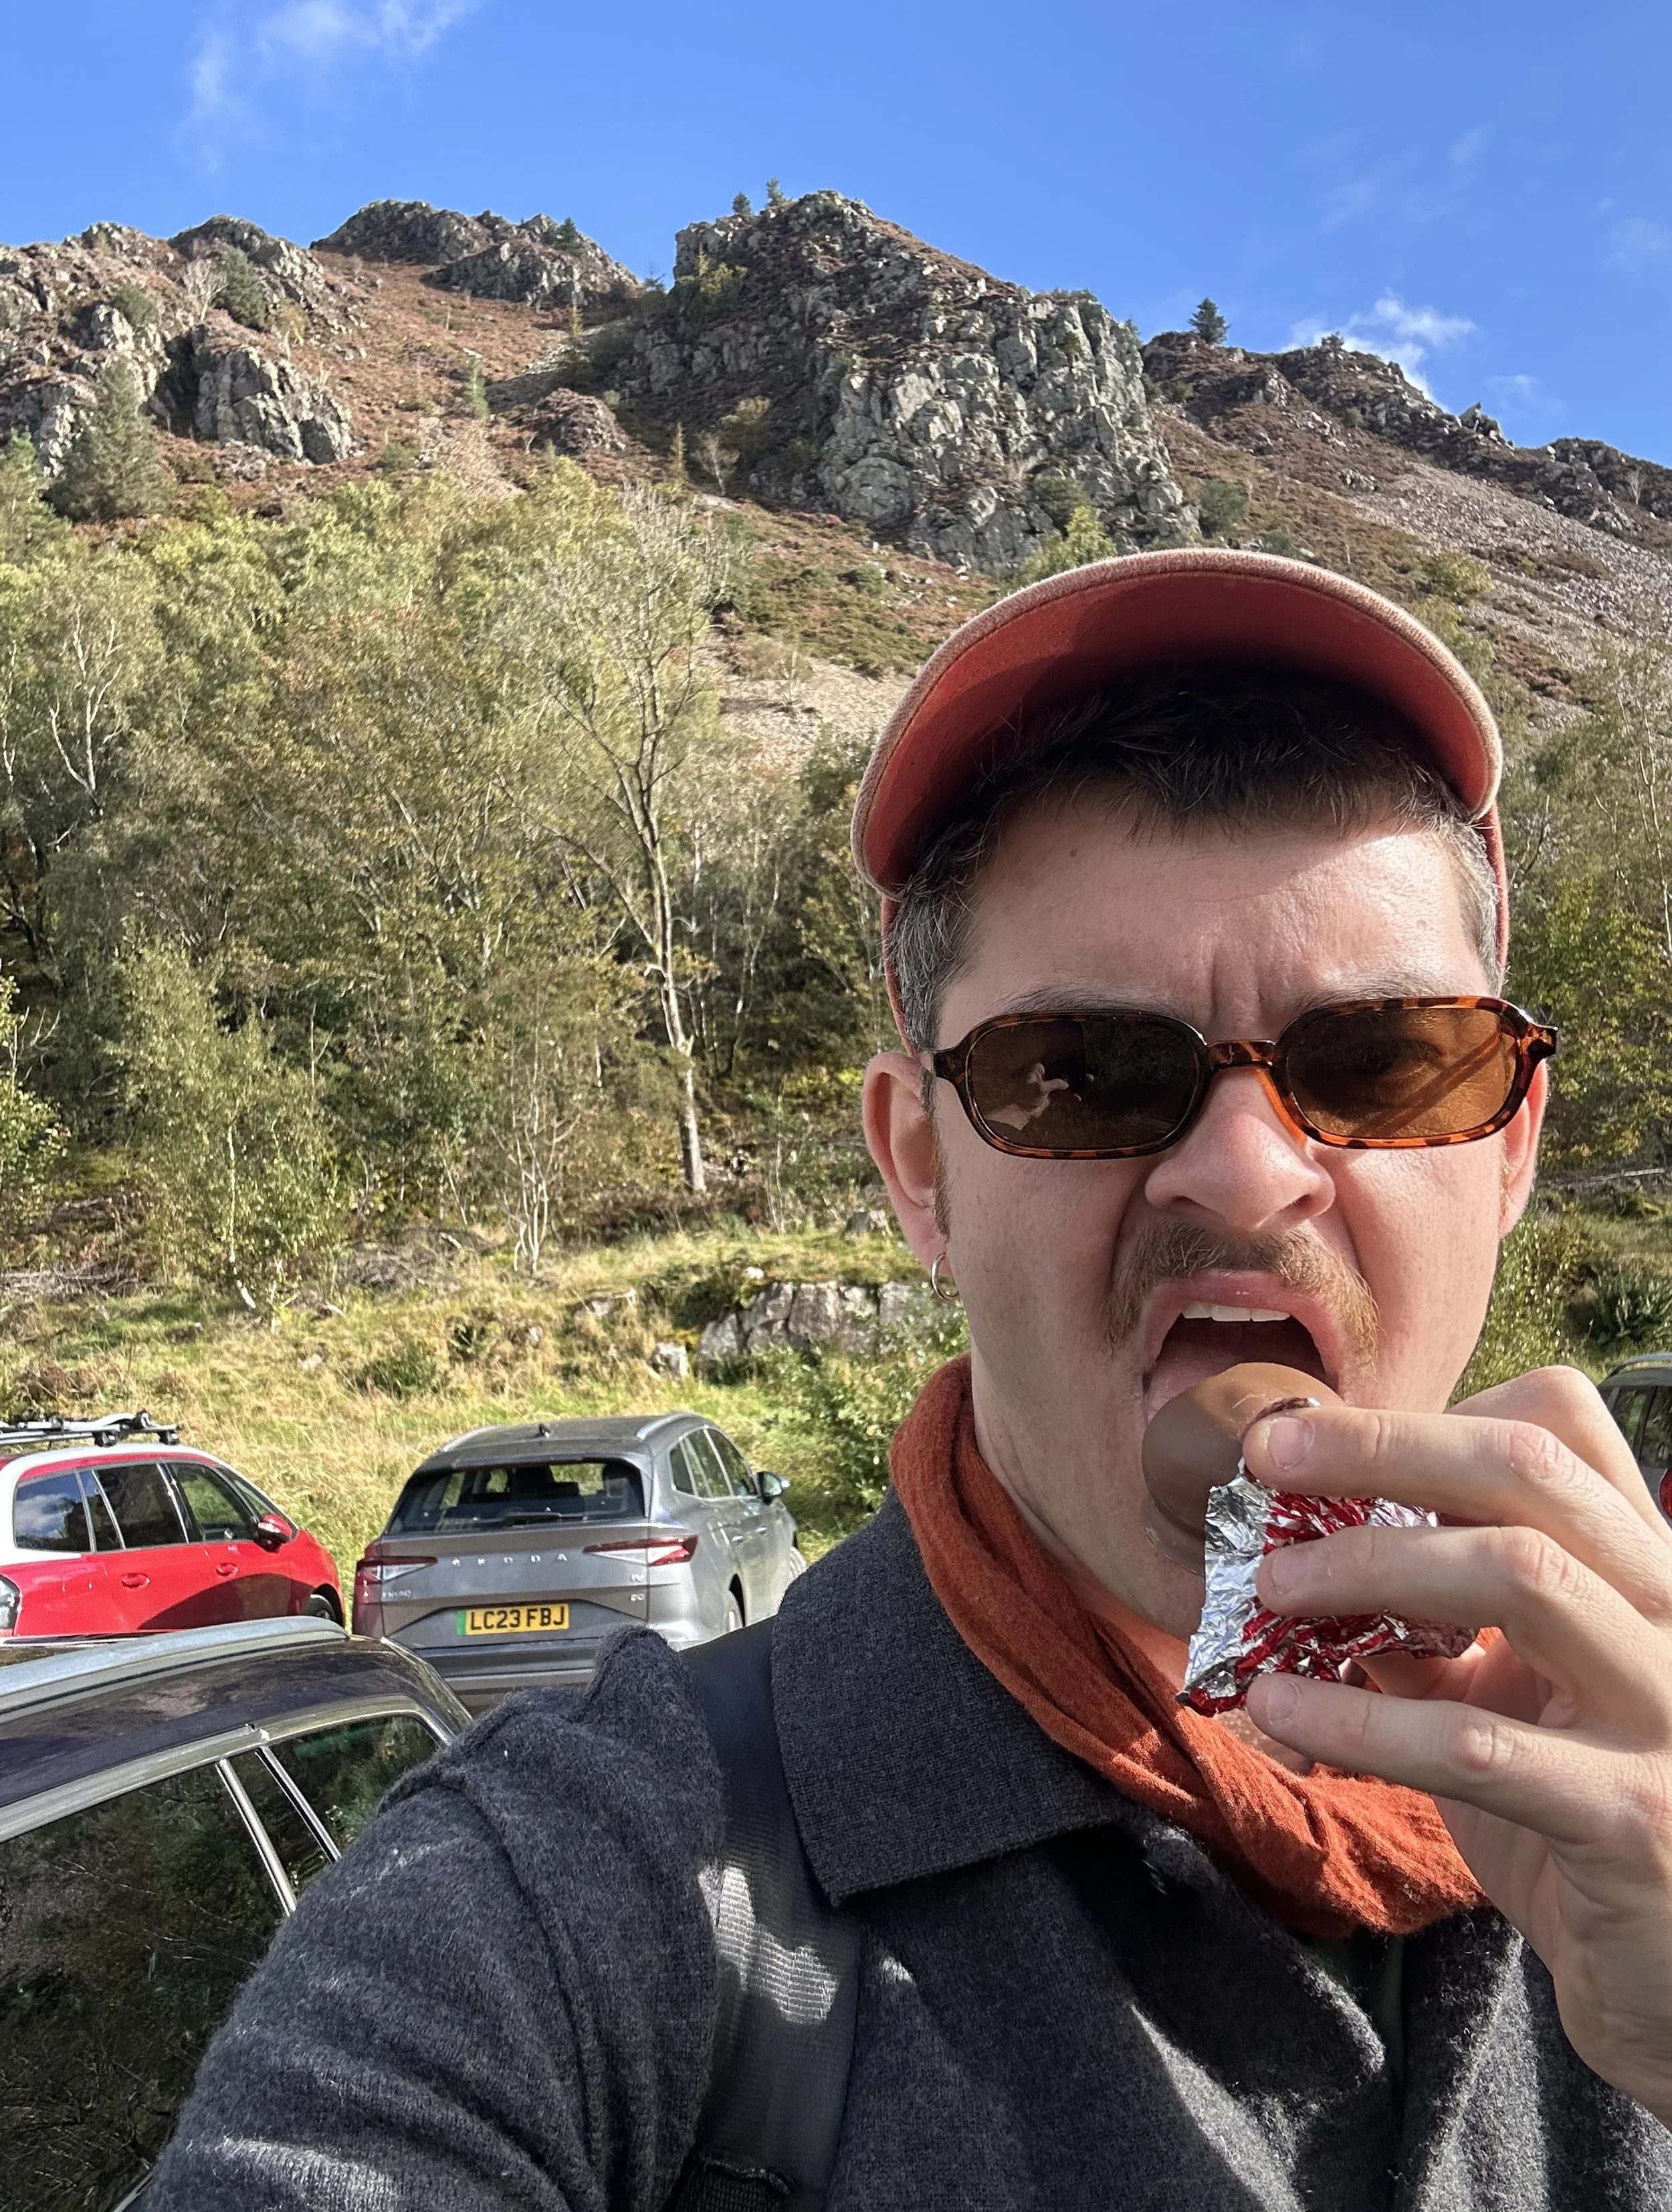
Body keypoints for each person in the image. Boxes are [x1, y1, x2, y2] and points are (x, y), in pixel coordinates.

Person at [151, 550, 1672, 2209]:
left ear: (1511, 1143)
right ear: (918, 1171)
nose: (1244, 1176)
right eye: (1079, 1070)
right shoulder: (567, 1895)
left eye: (1375, 1061)